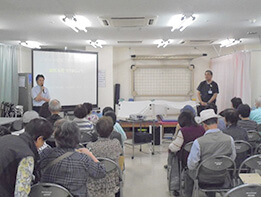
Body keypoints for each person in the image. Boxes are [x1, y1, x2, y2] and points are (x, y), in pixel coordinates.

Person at [40, 120, 106, 197]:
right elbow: (101, 172)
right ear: (77, 138)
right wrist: (90, 154)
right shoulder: (84, 159)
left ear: (56, 138)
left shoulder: (45, 154)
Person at [185, 109, 236, 197]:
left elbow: (191, 165)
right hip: (222, 177)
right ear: (217, 122)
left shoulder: (198, 142)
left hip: (203, 179)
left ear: (204, 125)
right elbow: (232, 158)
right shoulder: (229, 139)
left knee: (187, 172)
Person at [0, 119, 53, 196]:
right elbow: (21, 192)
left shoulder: (5, 139)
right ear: (39, 139)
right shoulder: (26, 156)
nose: (42, 145)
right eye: (43, 142)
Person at [87, 117, 123, 197]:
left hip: (94, 182)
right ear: (112, 130)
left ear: (97, 131)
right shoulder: (116, 144)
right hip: (112, 182)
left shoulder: (91, 146)